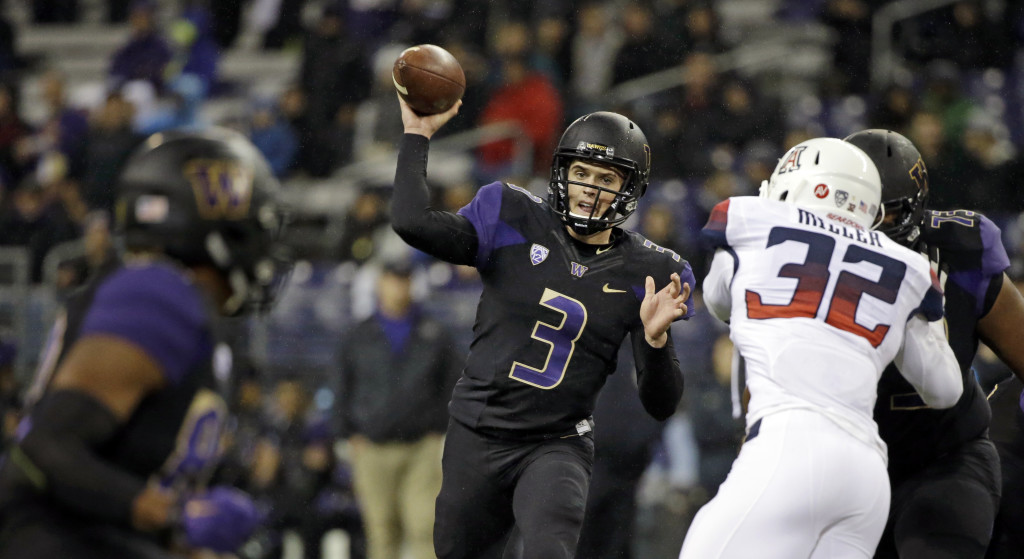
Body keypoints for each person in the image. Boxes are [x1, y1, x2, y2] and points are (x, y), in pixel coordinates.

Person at [391, 98, 695, 559]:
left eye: (607, 179)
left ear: (630, 190)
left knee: (549, 549)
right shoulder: (510, 214)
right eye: (583, 173)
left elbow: (662, 403)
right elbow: (411, 222)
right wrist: (417, 135)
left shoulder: (649, 271)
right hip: (478, 430)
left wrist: (655, 342)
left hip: (556, 442)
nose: (590, 189)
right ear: (562, 173)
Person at [0, 126, 290, 558]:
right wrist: (173, 515)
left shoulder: (169, 297)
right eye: (252, 229)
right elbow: (47, 445)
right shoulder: (158, 291)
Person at [681, 138, 964, 559]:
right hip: (866, 476)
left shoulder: (751, 219)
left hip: (790, 445)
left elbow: (719, 300)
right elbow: (946, 390)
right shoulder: (909, 266)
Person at [843, 129, 1024, 559]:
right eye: (855, 210)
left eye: (881, 214)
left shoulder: (960, 254)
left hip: (942, 460)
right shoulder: (803, 268)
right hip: (841, 467)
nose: (868, 227)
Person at [337, 259, 462, 559]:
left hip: (421, 445)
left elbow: (454, 385)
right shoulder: (358, 335)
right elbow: (342, 386)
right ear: (380, 283)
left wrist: (439, 429)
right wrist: (347, 434)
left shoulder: (433, 332)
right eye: (393, 279)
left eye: (404, 280)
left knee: (424, 527)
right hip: (372, 445)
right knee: (381, 532)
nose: (398, 287)